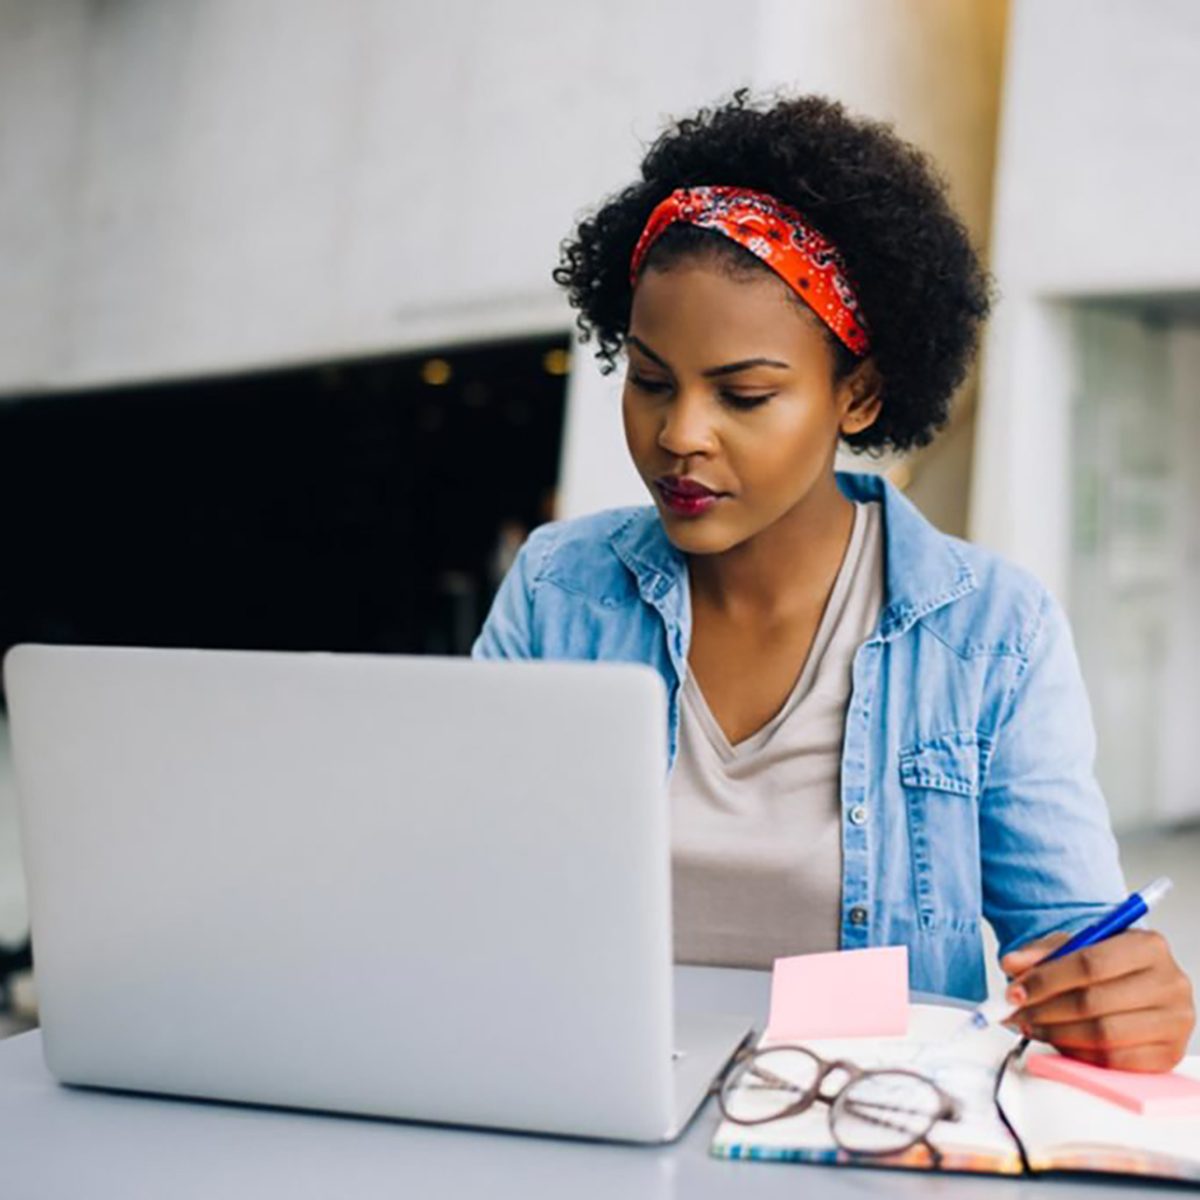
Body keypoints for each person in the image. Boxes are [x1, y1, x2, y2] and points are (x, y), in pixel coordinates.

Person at [472, 91, 1194, 1070]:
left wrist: (1119, 996)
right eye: (649, 380)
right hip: (579, 1083)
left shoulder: (989, 632)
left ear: (855, 395)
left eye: (745, 394)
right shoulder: (560, 587)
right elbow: (466, 878)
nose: (680, 433)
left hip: (861, 1121)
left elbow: (1074, 953)